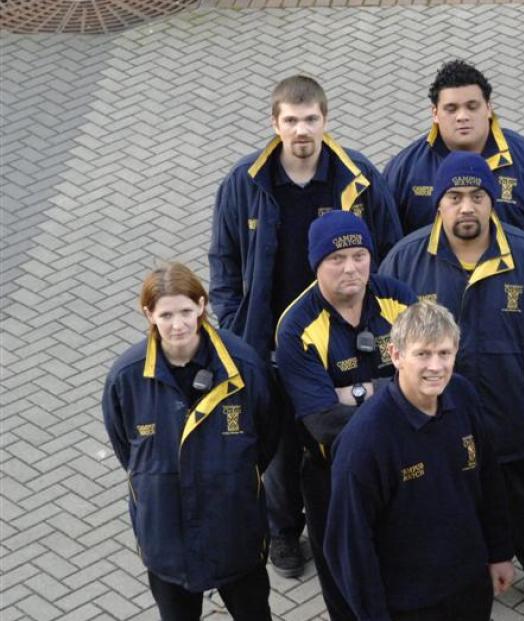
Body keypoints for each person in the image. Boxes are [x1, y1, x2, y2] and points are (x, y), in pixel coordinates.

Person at [208, 75, 403, 578]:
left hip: (343, 337)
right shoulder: (245, 183)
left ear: (325, 120)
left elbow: (390, 248)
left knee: (343, 431)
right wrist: (234, 329)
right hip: (269, 343)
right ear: (274, 124)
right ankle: (284, 534)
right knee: (276, 448)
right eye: (290, 120)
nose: (301, 130)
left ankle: (347, 525)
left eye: (310, 119)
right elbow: (225, 261)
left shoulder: (356, 176)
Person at [380, 152, 524, 619]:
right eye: (454, 196)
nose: (466, 207)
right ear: (438, 204)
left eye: (476, 196)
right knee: (442, 509)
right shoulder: (405, 262)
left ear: (492, 201)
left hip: (512, 424)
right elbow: (386, 346)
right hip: (432, 426)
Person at [384, 60, 524, 521]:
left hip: (513, 334)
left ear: (490, 108)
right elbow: (392, 263)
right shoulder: (405, 170)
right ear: (435, 113)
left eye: (473, 105)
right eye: (451, 108)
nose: (463, 116)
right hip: (438, 341)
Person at [102, 262, 277, 620]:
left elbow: (268, 437)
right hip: (167, 541)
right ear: (148, 314)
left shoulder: (243, 365)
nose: (178, 324)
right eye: (166, 314)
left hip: (236, 533)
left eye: (185, 310)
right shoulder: (126, 377)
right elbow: (126, 449)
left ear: (202, 305)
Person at [325, 301, 516, 621]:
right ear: (397, 356)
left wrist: (499, 552)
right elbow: (350, 547)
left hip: (469, 588)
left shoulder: (463, 395)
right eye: (423, 354)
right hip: (409, 605)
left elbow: (489, 480)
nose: (436, 366)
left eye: (444, 353)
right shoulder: (365, 443)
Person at [276, 211, 416, 621]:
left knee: (404, 562)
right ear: (316, 264)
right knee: (344, 578)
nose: (351, 267)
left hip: (399, 464)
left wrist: (358, 393)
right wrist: (395, 392)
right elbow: (322, 422)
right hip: (331, 475)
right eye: (336, 259)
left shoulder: (399, 299)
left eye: (359, 255)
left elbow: (430, 383)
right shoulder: (297, 327)